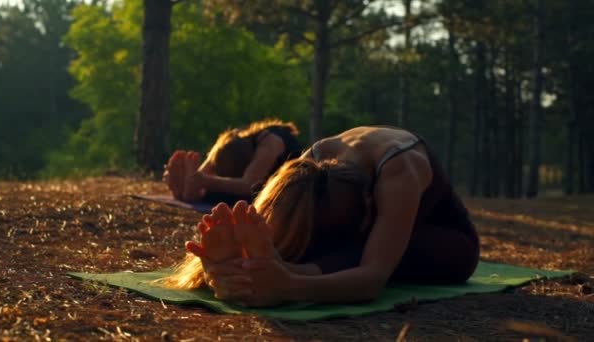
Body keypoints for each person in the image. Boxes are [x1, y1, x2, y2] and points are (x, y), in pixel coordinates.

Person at [161, 126, 480, 307]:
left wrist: (290, 287)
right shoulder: (311, 165)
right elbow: (274, 220)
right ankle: (252, 266)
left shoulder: (399, 172)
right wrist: (226, 266)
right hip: (344, 232)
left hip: (445, 242)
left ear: (371, 202)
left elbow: (372, 278)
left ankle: (278, 269)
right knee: (309, 237)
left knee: (359, 253)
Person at [163, 119, 302, 205]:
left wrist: (204, 181)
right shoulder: (232, 139)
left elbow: (249, 185)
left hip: (278, 188)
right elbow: (198, 176)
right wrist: (190, 179)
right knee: (213, 188)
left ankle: (198, 193)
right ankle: (190, 192)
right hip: (243, 178)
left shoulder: (271, 143)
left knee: (240, 198)